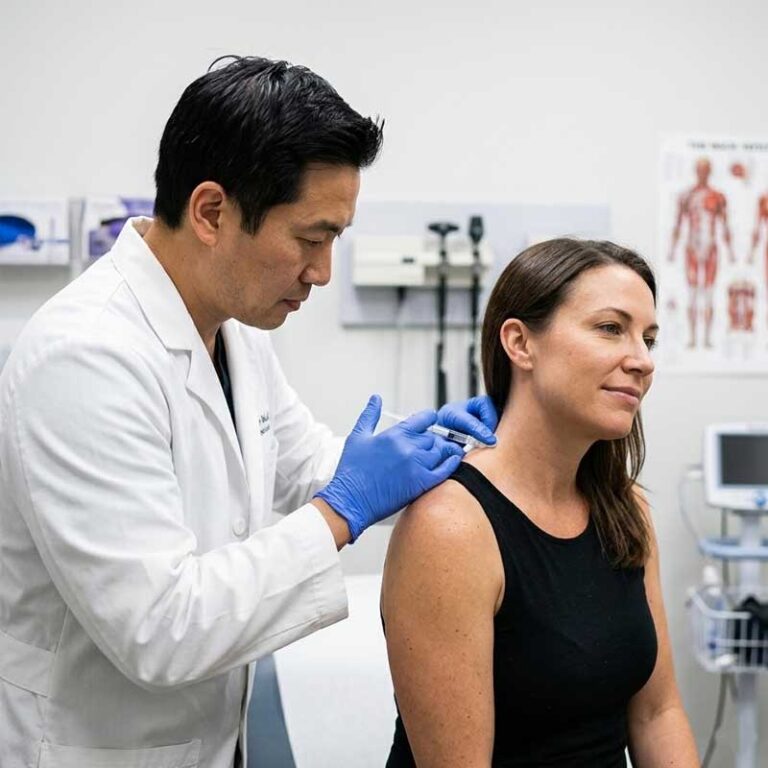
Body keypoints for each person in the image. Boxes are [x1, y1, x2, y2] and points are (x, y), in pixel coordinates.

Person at [0, 56, 498, 768]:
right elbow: (160, 627)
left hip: (207, 742)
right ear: (211, 212)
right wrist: (340, 513)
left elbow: (305, 462)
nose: (323, 272)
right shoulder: (83, 357)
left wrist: (446, 461)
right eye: (310, 238)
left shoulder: (233, 327)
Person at [382, 239, 699, 767]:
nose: (642, 361)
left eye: (648, 338)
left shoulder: (627, 512)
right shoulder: (450, 527)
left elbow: (657, 713)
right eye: (610, 328)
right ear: (520, 343)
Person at [669, 157, 734, 349]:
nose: (702, 173)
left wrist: (730, 252)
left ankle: (706, 338)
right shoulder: (686, 196)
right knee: (692, 293)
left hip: (711, 248)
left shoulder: (718, 196)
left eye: (706, 169)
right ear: (695, 171)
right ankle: (692, 338)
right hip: (692, 247)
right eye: (700, 169)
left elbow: (725, 224)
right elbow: (678, 224)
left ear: (710, 171)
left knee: (708, 294)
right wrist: (672, 250)